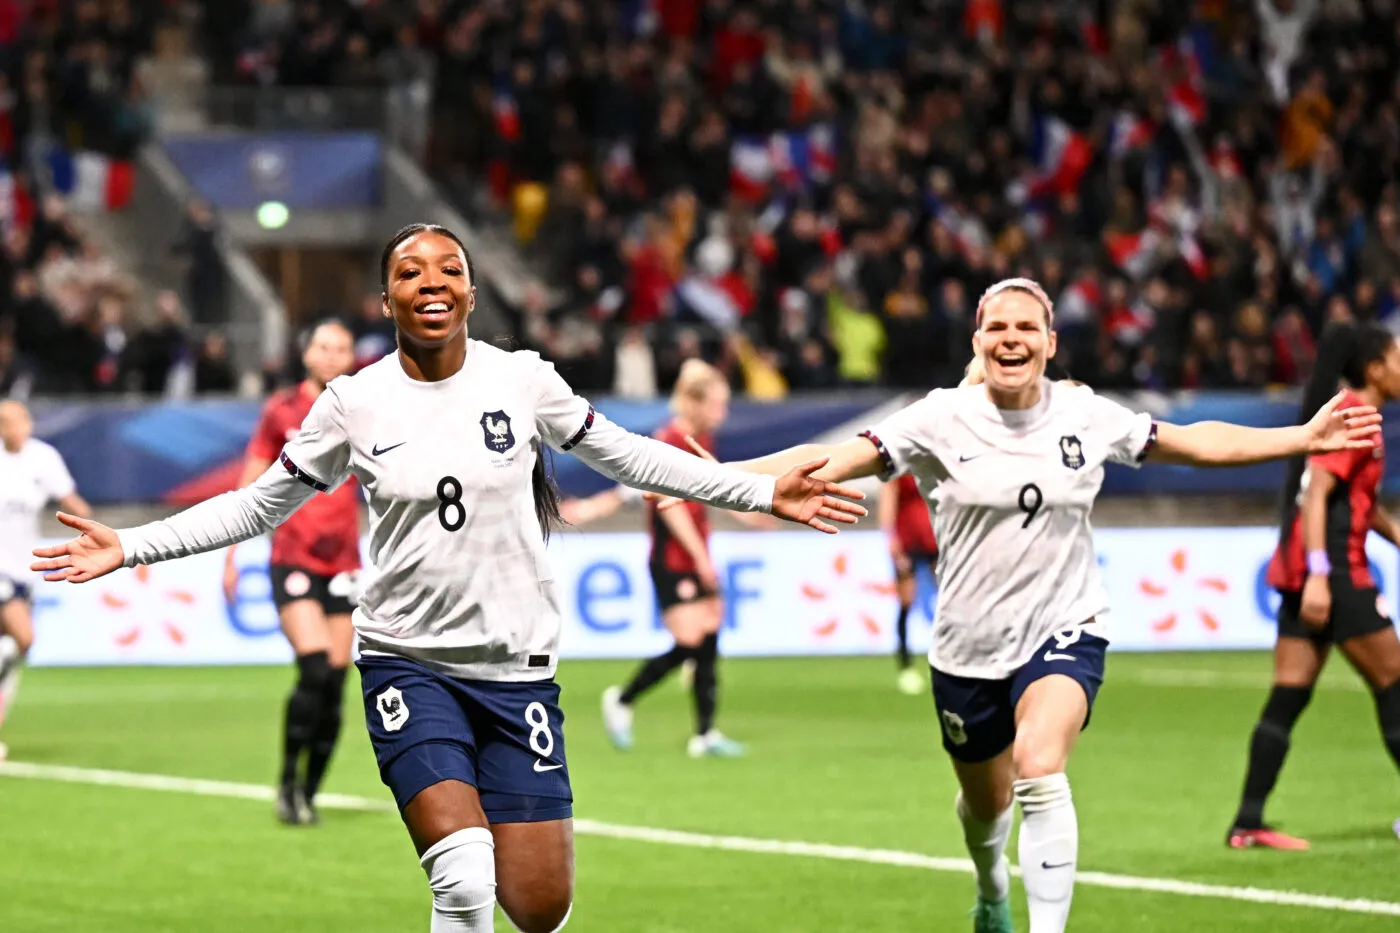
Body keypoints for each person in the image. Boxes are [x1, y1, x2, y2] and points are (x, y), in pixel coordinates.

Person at [31, 223, 867, 933]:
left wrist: (758, 489)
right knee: (464, 876)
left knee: (538, 906)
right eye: (409, 273)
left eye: (449, 271)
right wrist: (131, 545)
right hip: (409, 662)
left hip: (518, 673)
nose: (431, 283)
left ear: (471, 293)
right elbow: (258, 506)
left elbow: (634, 456)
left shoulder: (523, 377)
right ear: (386, 301)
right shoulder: (352, 401)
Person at [679, 278, 1380, 933]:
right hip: (967, 649)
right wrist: (701, 477)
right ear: (979, 341)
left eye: (1027, 326)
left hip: (1065, 626)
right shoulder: (940, 418)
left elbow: (1194, 443)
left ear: (1049, 341)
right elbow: (823, 458)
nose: (1011, 338)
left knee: (1041, 766)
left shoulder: (1085, 413)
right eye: (997, 327)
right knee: (987, 808)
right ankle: (991, 889)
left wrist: (1301, 437)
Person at [1227, 321, 1400, 850]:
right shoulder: (1353, 415)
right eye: (1397, 357)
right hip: (1334, 574)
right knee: (1394, 682)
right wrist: (1323, 576)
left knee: (1290, 693)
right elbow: (1316, 494)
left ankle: (1248, 822)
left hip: (1308, 572)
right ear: (1374, 368)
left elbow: (1358, 505)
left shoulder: (1351, 413)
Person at [564, 359, 772, 757]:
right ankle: (623, 698)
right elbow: (670, 506)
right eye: (716, 405)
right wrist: (700, 558)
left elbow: (714, 488)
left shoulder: (701, 441)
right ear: (693, 403)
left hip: (696, 552)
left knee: (709, 638)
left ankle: (705, 733)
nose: (722, 414)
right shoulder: (670, 439)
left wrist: (749, 514)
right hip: (674, 558)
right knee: (691, 641)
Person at [222, 319, 361, 825]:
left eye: (340, 347)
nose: (331, 355)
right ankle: (286, 783)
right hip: (294, 555)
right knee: (315, 670)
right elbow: (250, 483)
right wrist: (232, 553)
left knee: (337, 683)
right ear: (308, 354)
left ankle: (309, 792)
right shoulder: (282, 411)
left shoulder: (361, 407)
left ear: (350, 357)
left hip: (345, 560)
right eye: (323, 345)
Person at [0, 400, 91, 761]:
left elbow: (70, 501)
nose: (11, 427)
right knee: (24, 637)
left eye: (16, 420)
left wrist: (93, 528)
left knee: (10, 652)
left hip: (25, 570)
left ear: (28, 422)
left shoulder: (43, 458)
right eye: (3, 421)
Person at [880, 469, 937, 696]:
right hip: (908, 540)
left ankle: (949, 660)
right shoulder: (898, 469)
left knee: (950, 600)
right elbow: (888, 502)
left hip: (935, 538)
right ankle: (906, 665)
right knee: (905, 602)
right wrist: (891, 539)